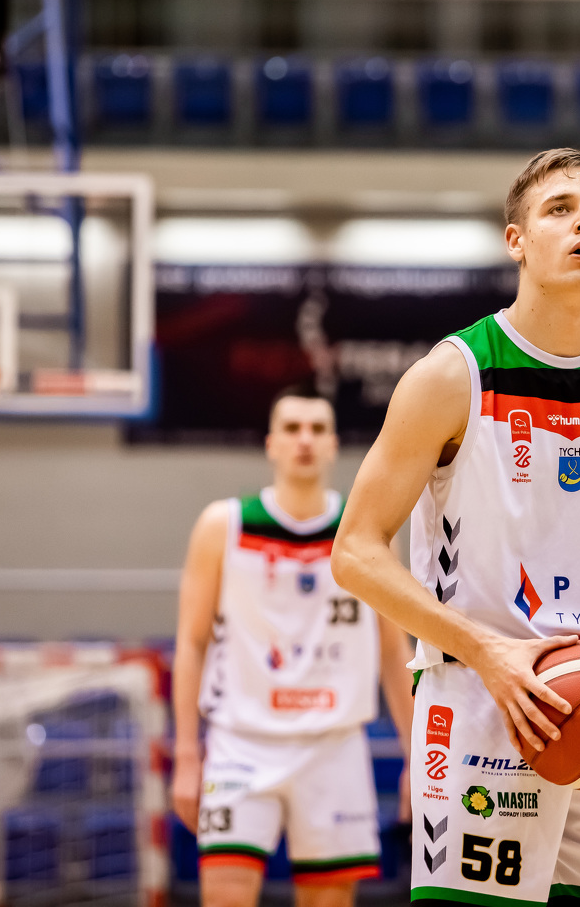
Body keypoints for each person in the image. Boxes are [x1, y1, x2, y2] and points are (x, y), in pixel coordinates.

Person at [332, 148, 580, 906]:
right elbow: (354, 552)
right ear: (517, 240)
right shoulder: (452, 375)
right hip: (482, 707)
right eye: (560, 208)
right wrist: (489, 652)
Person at [171, 386, 416, 907]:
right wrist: (187, 755)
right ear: (271, 444)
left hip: (333, 746)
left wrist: (417, 756)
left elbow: (395, 653)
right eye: (292, 428)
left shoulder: (365, 533)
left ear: (333, 445)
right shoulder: (223, 526)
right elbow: (190, 644)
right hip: (240, 743)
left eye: (317, 429)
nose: (304, 439)